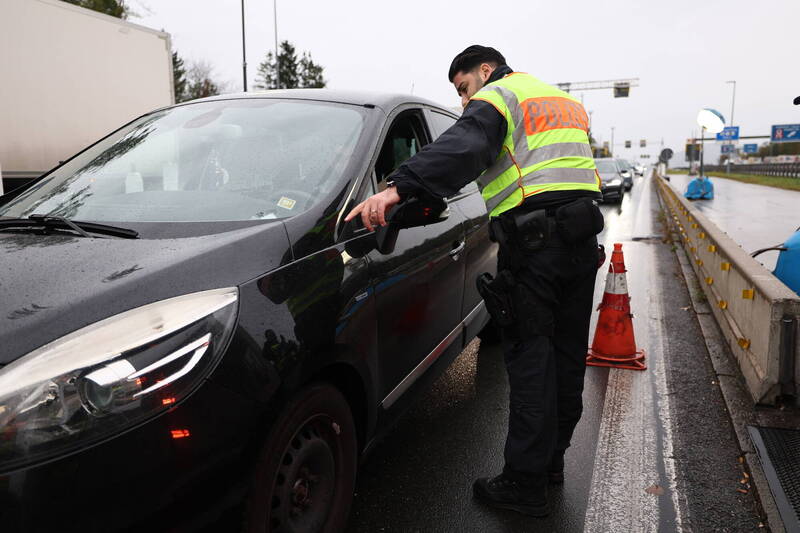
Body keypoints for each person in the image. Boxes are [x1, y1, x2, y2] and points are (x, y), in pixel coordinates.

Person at [345, 45, 604, 518]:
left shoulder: (500, 95)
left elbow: (462, 147)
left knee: (531, 363)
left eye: (464, 88)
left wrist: (397, 187)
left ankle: (523, 484)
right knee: (567, 360)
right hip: (581, 242)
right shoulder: (563, 102)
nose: (464, 101)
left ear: (486, 70)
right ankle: (551, 464)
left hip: (535, 248)